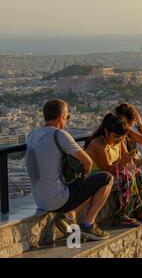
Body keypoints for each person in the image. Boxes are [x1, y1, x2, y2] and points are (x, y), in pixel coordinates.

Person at [26, 99, 113, 241]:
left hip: (39, 200)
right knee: (106, 178)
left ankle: (71, 217)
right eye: (67, 116)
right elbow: (87, 162)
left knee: (87, 186)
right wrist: (81, 178)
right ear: (61, 116)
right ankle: (88, 224)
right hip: (59, 200)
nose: (67, 120)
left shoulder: (32, 135)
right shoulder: (59, 135)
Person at [85, 113, 142, 226]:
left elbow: (125, 157)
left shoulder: (119, 141)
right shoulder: (98, 144)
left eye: (122, 137)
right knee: (127, 177)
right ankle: (121, 215)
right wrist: (123, 162)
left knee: (138, 173)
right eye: (116, 136)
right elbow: (107, 169)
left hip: (113, 171)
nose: (119, 140)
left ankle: (140, 209)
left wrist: (129, 162)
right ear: (106, 132)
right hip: (98, 174)